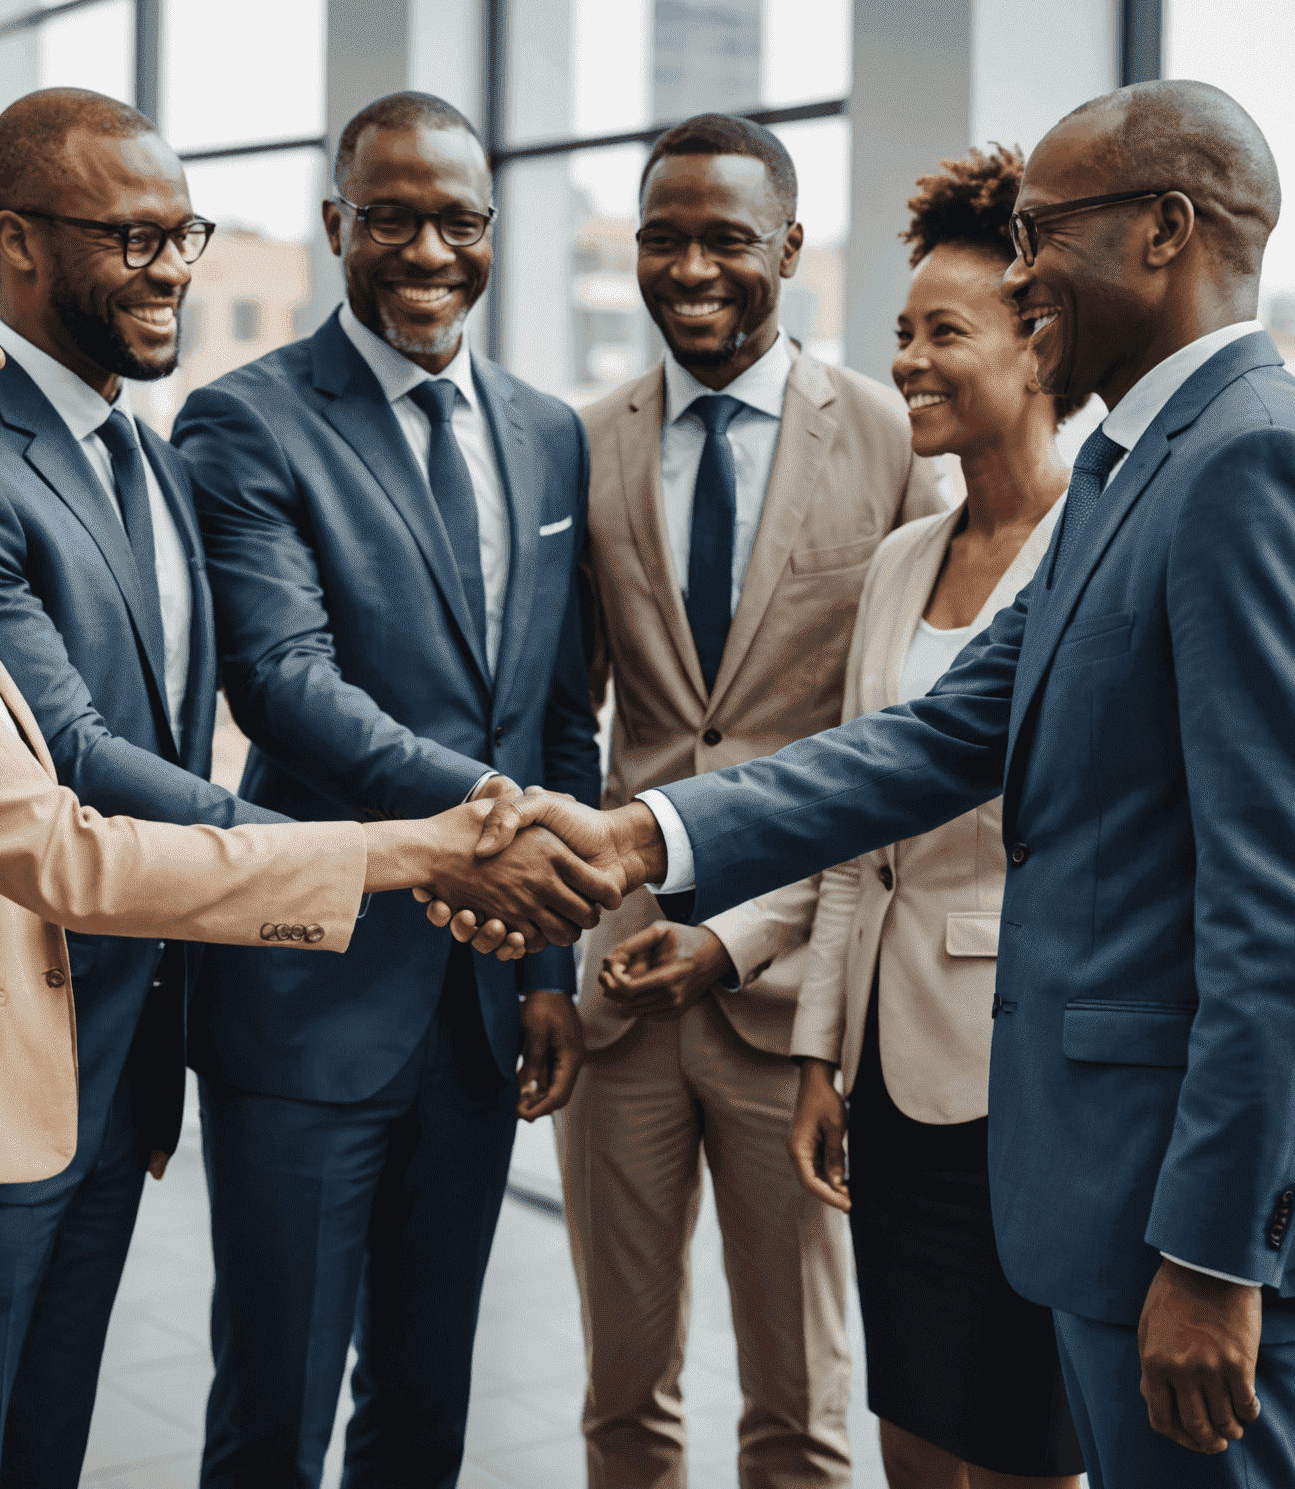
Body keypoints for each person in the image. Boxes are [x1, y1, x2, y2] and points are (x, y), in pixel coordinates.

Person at [466, 79, 1295, 1489]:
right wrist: (637, 836)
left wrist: (1215, 1252)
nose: (1022, 270)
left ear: (1166, 231)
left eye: (1047, 234)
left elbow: (1272, 908)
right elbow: (933, 737)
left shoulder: (1244, 460)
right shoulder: (1130, 466)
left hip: (1170, 1209)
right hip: (1079, 1180)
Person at [0, 112, 599, 1489]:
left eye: (183, 237)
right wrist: (418, 853)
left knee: (45, 1439)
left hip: (69, 1067)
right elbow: (62, 820)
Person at [608, 144, 1087, 1489]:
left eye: (948, 332)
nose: (913, 362)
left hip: (1022, 1087)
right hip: (883, 1073)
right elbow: (857, 821)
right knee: (909, 1444)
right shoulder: (901, 562)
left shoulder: (1093, 554)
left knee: (1020, 1453)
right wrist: (822, 1050)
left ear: (1040, 343)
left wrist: (653, 839)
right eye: (902, 333)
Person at [170, 90, 604, 1487]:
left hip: (480, 1009)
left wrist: (549, 963)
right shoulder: (246, 421)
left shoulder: (549, 432)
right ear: (334, 224)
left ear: (494, 227)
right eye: (395, 216)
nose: (430, 248)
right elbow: (287, 685)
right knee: (274, 1413)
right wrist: (507, 821)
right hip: (312, 992)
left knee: (425, 1409)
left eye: (459, 218)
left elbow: (556, 708)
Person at [0, 87, 288, 1488]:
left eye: (185, 232)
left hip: (126, 1051)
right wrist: (347, 857)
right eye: (132, 238)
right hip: (4, 1043)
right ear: (11, 242)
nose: (174, 267)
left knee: (49, 1427)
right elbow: (62, 753)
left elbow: (201, 714)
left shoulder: (146, 450)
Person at [560, 112, 943, 1488]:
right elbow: (566, 722)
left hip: (797, 1007)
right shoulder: (583, 442)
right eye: (664, 239)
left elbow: (903, 750)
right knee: (621, 1396)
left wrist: (754, 930)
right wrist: (563, 957)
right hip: (623, 986)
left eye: (728, 238)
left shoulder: (896, 438)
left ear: (789, 244)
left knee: (800, 1408)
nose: (692, 268)